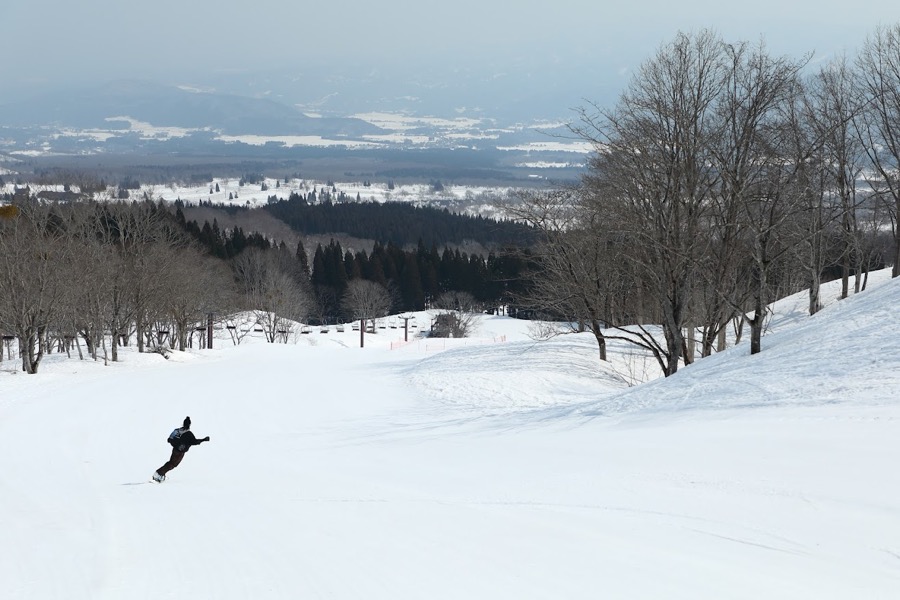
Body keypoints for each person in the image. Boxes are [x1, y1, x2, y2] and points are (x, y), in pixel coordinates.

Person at [152, 416, 210, 482]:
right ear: (189, 425)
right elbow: (194, 441)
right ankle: (158, 474)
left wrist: (175, 443)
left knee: (171, 463)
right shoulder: (189, 433)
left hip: (175, 450)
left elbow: (169, 439)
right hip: (180, 452)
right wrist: (203, 440)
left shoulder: (177, 430)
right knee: (173, 464)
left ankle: (160, 474)